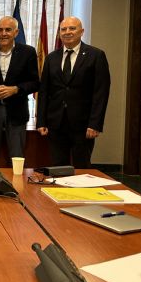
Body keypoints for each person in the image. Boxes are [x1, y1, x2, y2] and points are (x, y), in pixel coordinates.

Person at [37, 16, 111, 168]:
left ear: (81, 32)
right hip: (56, 123)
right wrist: (41, 121)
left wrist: (95, 124)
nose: (67, 32)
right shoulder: (51, 58)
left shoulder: (95, 56)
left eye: (72, 28)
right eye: (63, 29)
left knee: (82, 167)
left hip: (83, 125)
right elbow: (44, 91)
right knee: (58, 167)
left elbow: (101, 93)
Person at [0, 16, 39, 167]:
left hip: (17, 111)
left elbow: (35, 83)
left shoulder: (28, 52)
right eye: (0, 30)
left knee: (17, 158)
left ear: (16, 32)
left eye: (8, 30)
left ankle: (17, 189)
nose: (4, 33)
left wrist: (16, 89)